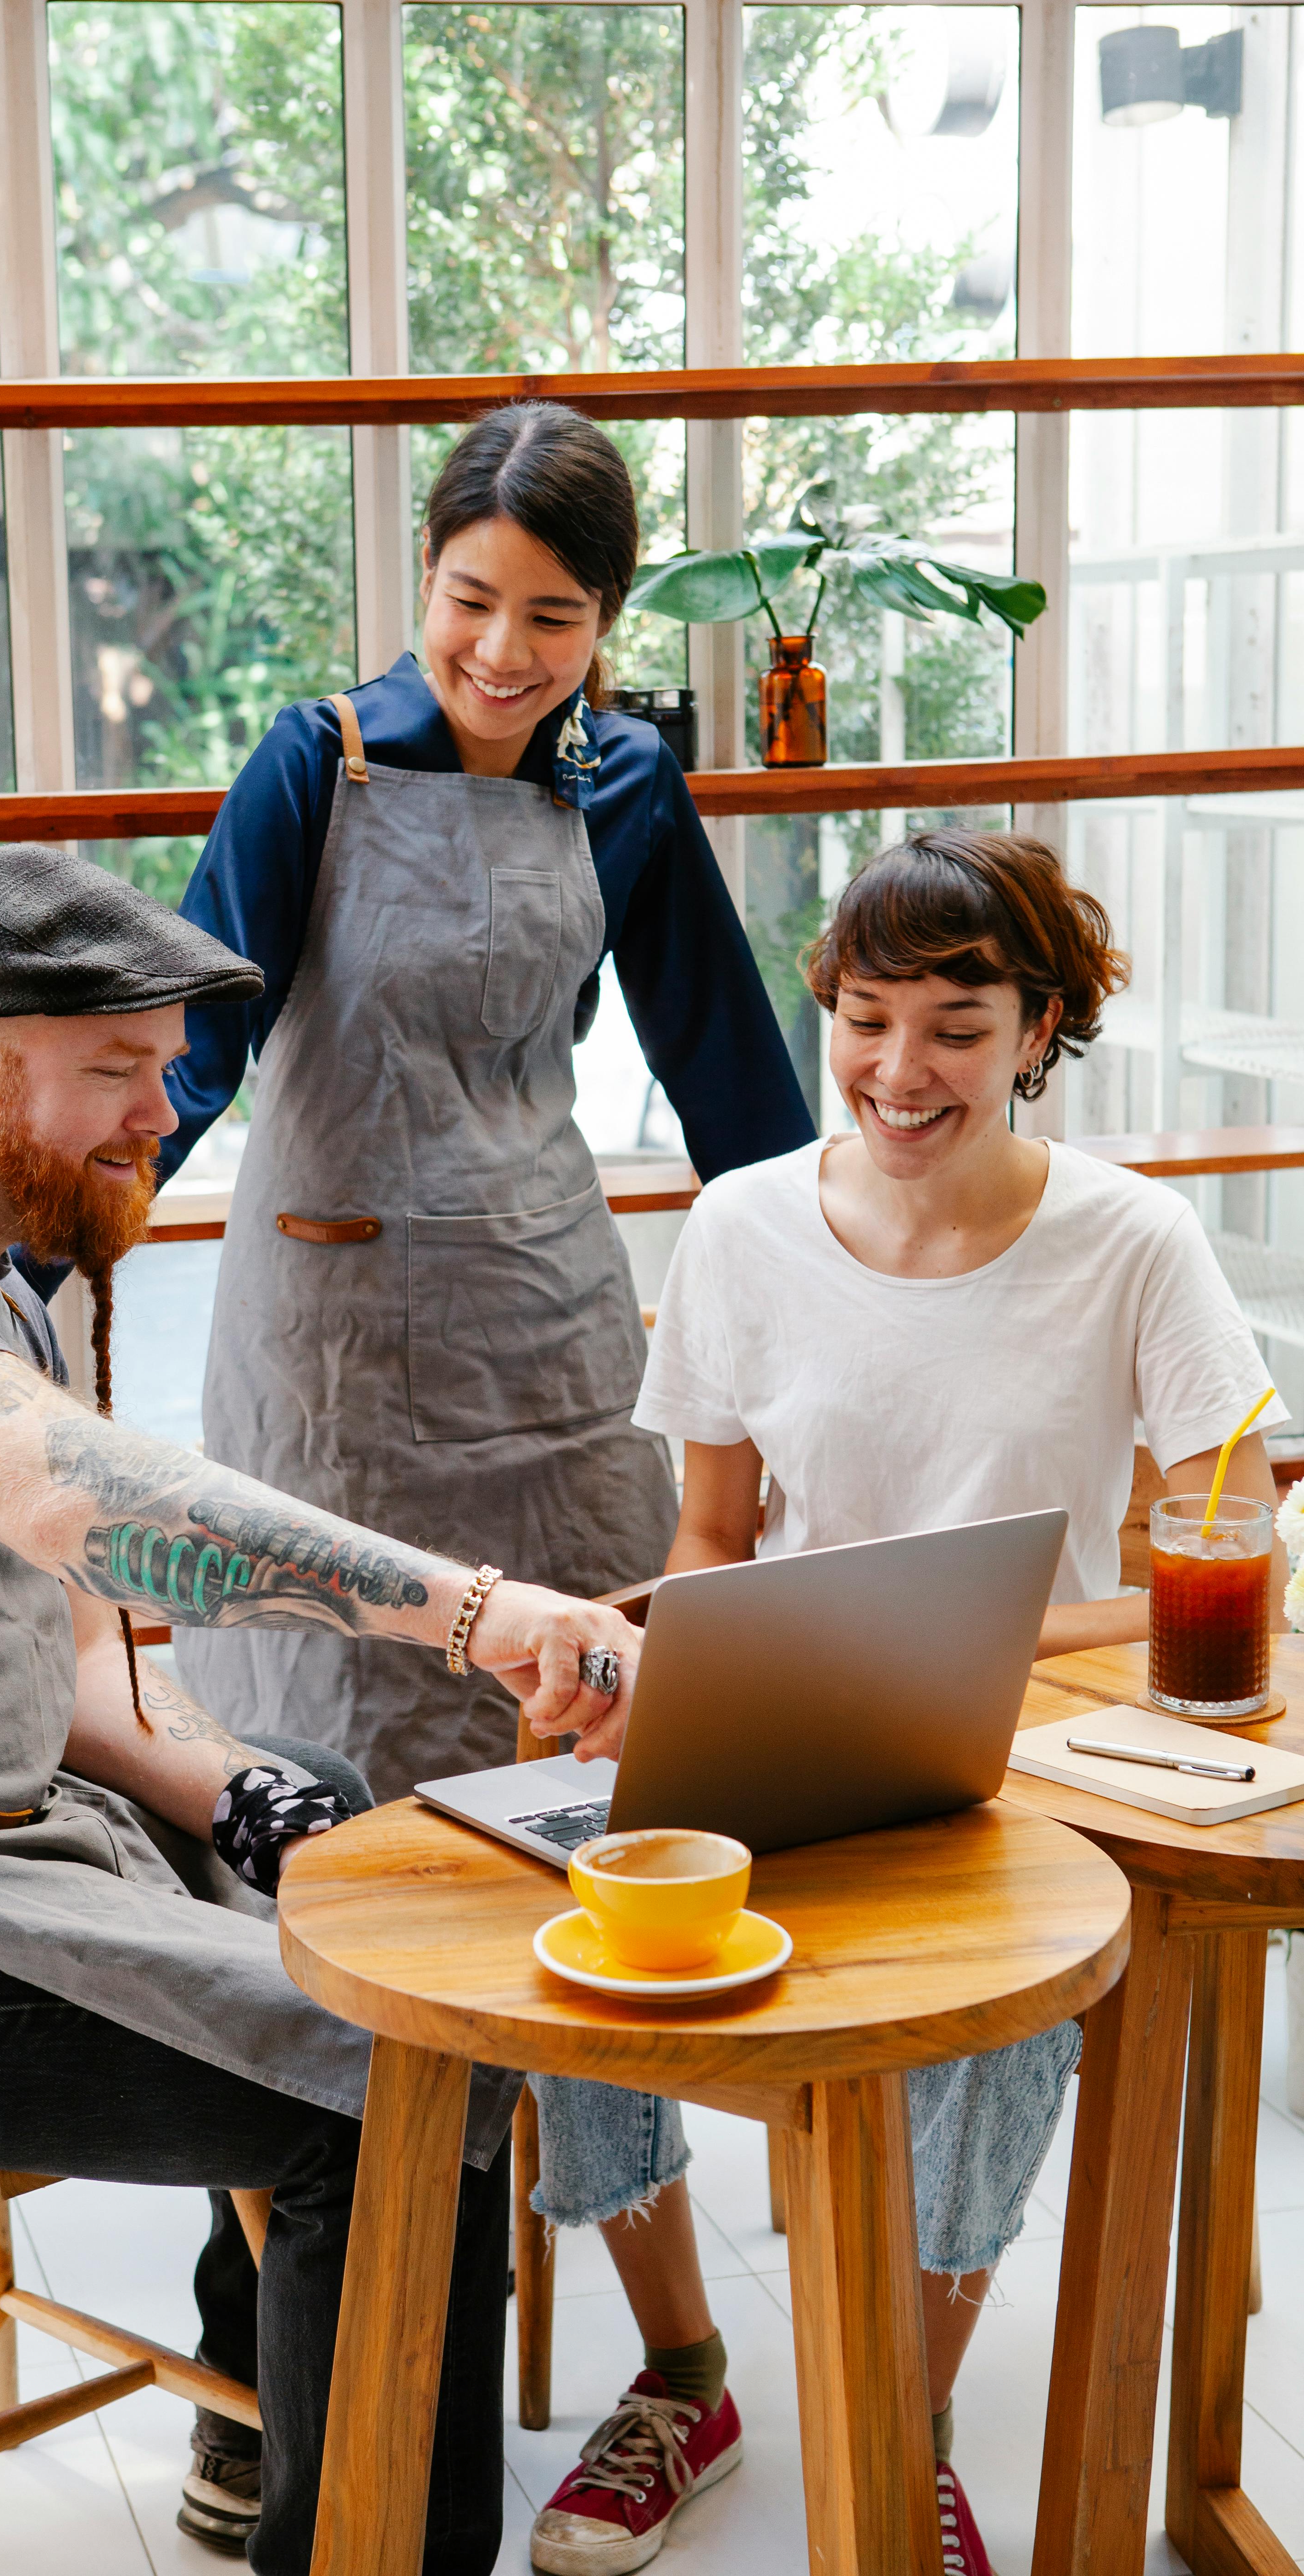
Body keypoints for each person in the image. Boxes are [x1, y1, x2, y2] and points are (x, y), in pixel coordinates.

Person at [0, 844, 646, 2576]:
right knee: (394, 2085)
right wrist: (478, 1611)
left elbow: (72, 1661)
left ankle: (264, 2432)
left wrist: (250, 1805)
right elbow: (92, 1509)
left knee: (304, 1784)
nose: (163, 1115)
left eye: (165, 1069)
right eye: (116, 1072)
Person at [153, 403, 813, 2534]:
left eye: (550, 618)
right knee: (317, 1834)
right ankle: (261, 2337)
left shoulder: (627, 782)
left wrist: (820, 1327)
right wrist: (22, 1233)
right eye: (467, 603)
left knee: (581, 1808)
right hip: (332, 1375)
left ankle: (654, 2343)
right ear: (416, 575)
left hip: (545, 1349)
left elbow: (733, 1078)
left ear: (606, 626)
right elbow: (191, 1043)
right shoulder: (312, 761)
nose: (501, 653)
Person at [524, 829, 1288, 2576]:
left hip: (1025, 1767)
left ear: (1040, 1031)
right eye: (867, 1018)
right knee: (562, 1899)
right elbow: (711, 1540)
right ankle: (682, 2374)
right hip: (778, 1739)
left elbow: (1227, 1553)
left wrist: (989, 1646)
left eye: (957, 1023)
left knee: (1006, 2020)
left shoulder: (1134, 1244)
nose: (899, 1069)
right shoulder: (740, 1224)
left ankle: (908, 2409)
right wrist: (649, 1669)